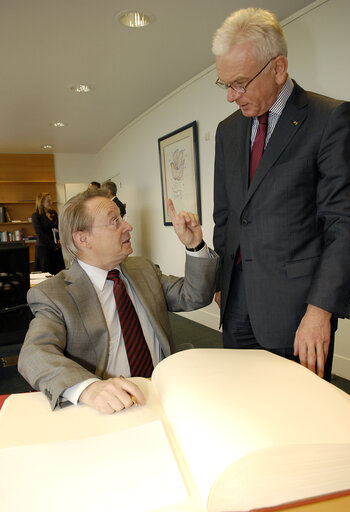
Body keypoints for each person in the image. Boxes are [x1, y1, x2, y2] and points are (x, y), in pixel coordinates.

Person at [212, 7, 350, 381]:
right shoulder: (228, 131)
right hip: (237, 305)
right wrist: (221, 283)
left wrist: (320, 310)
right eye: (224, 83)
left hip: (298, 312)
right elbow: (225, 216)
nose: (230, 96)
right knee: (243, 411)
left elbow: (343, 224)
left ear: (278, 68)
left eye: (239, 83)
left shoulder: (329, 119)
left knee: (299, 422)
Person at [18, 190, 218, 413]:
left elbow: (194, 296)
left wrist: (195, 246)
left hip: (163, 393)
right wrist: (88, 389)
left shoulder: (142, 268)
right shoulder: (55, 294)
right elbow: (34, 353)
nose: (128, 226)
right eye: (115, 221)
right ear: (83, 238)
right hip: (108, 408)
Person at [31, 192, 65, 275]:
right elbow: (40, 233)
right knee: (46, 273)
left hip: (56, 247)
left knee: (59, 273)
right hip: (44, 248)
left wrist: (60, 239)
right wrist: (54, 243)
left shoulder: (54, 213)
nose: (51, 202)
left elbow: (59, 228)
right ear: (41, 202)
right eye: (48, 201)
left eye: (51, 200)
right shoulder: (36, 216)